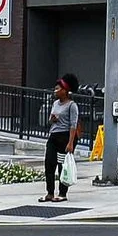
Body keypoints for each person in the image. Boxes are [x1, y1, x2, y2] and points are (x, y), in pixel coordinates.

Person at [43, 74, 80, 202]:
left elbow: (73, 124)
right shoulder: (55, 103)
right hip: (53, 136)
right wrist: (52, 119)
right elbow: (50, 120)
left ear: (65, 90)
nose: (55, 91)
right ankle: (50, 193)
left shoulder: (72, 105)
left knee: (62, 165)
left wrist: (70, 143)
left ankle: (62, 193)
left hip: (65, 137)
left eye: (57, 89)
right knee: (49, 163)